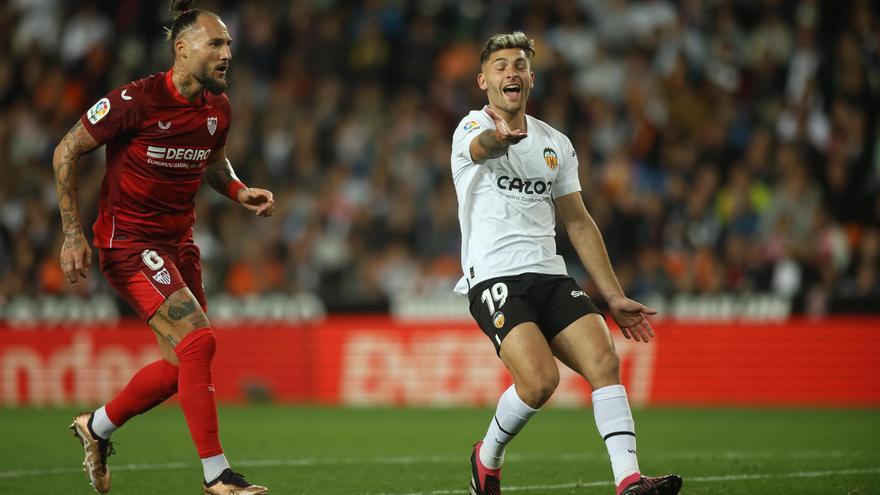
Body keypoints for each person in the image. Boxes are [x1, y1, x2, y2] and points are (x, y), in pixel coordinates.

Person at [450, 32, 683, 495]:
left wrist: (613, 294)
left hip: (551, 274)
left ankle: (629, 481)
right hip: (495, 276)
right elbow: (482, 150)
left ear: (531, 79)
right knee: (539, 383)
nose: (510, 71)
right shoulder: (470, 128)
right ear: (483, 80)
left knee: (603, 359)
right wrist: (499, 139)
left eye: (519, 64)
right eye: (500, 65)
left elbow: (578, 223)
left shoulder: (556, 143)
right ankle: (486, 456)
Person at [53, 1, 271, 494]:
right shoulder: (137, 99)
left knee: (181, 367)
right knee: (199, 341)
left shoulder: (218, 108)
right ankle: (218, 477)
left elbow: (213, 163)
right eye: (216, 44)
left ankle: (98, 426)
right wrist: (72, 232)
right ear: (182, 48)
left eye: (229, 45)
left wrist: (240, 191)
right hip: (128, 243)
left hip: (179, 244)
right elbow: (66, 149)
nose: (227, 54)